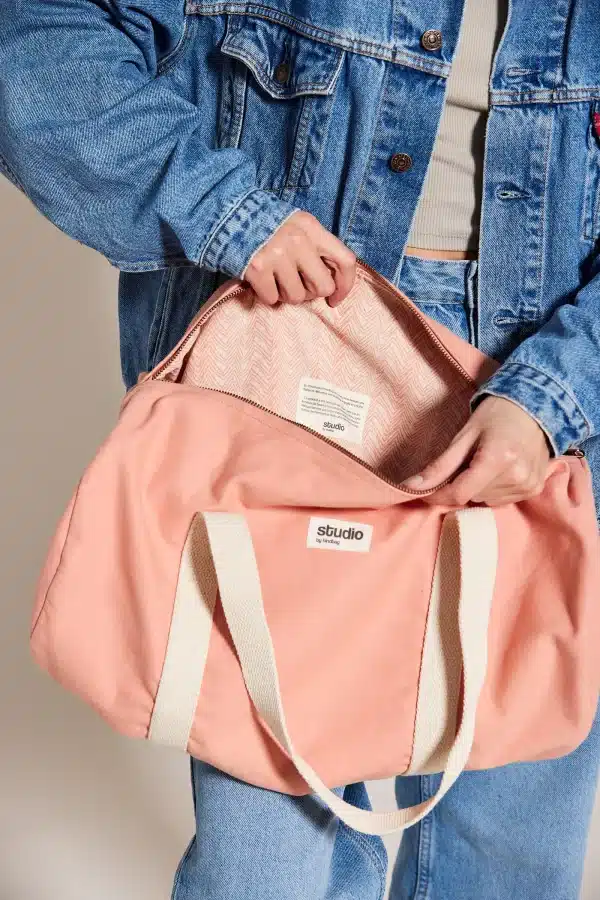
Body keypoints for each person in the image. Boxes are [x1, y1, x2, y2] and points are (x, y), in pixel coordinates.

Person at [1, 0, 599, 897]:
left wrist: (557, 396)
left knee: (511, 850)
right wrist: (228, 213)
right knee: (265, 868)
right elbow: (33, 41)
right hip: (297, 351)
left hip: (553, 382)